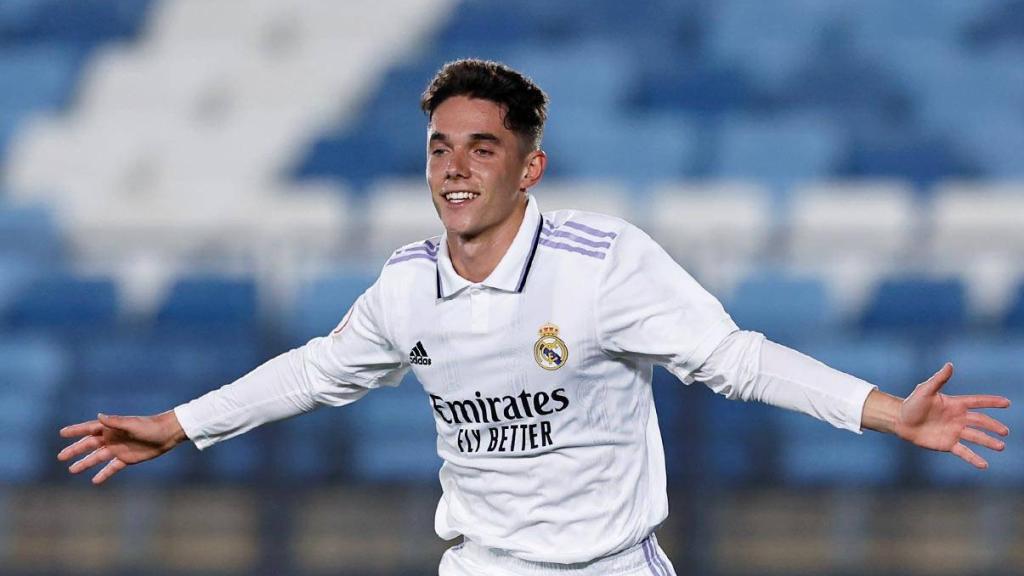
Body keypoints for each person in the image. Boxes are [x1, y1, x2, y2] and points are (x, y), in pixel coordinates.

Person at [57, 59, 1011, 576]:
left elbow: (735, 359)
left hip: (610, 567)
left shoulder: (606, 265)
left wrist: (888, 410)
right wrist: (178, 426)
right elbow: (314, 372)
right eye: (440, 149)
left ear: (529, 169)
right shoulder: (405, 284)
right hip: (480, 566)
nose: (456, 167)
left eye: (482, 147)